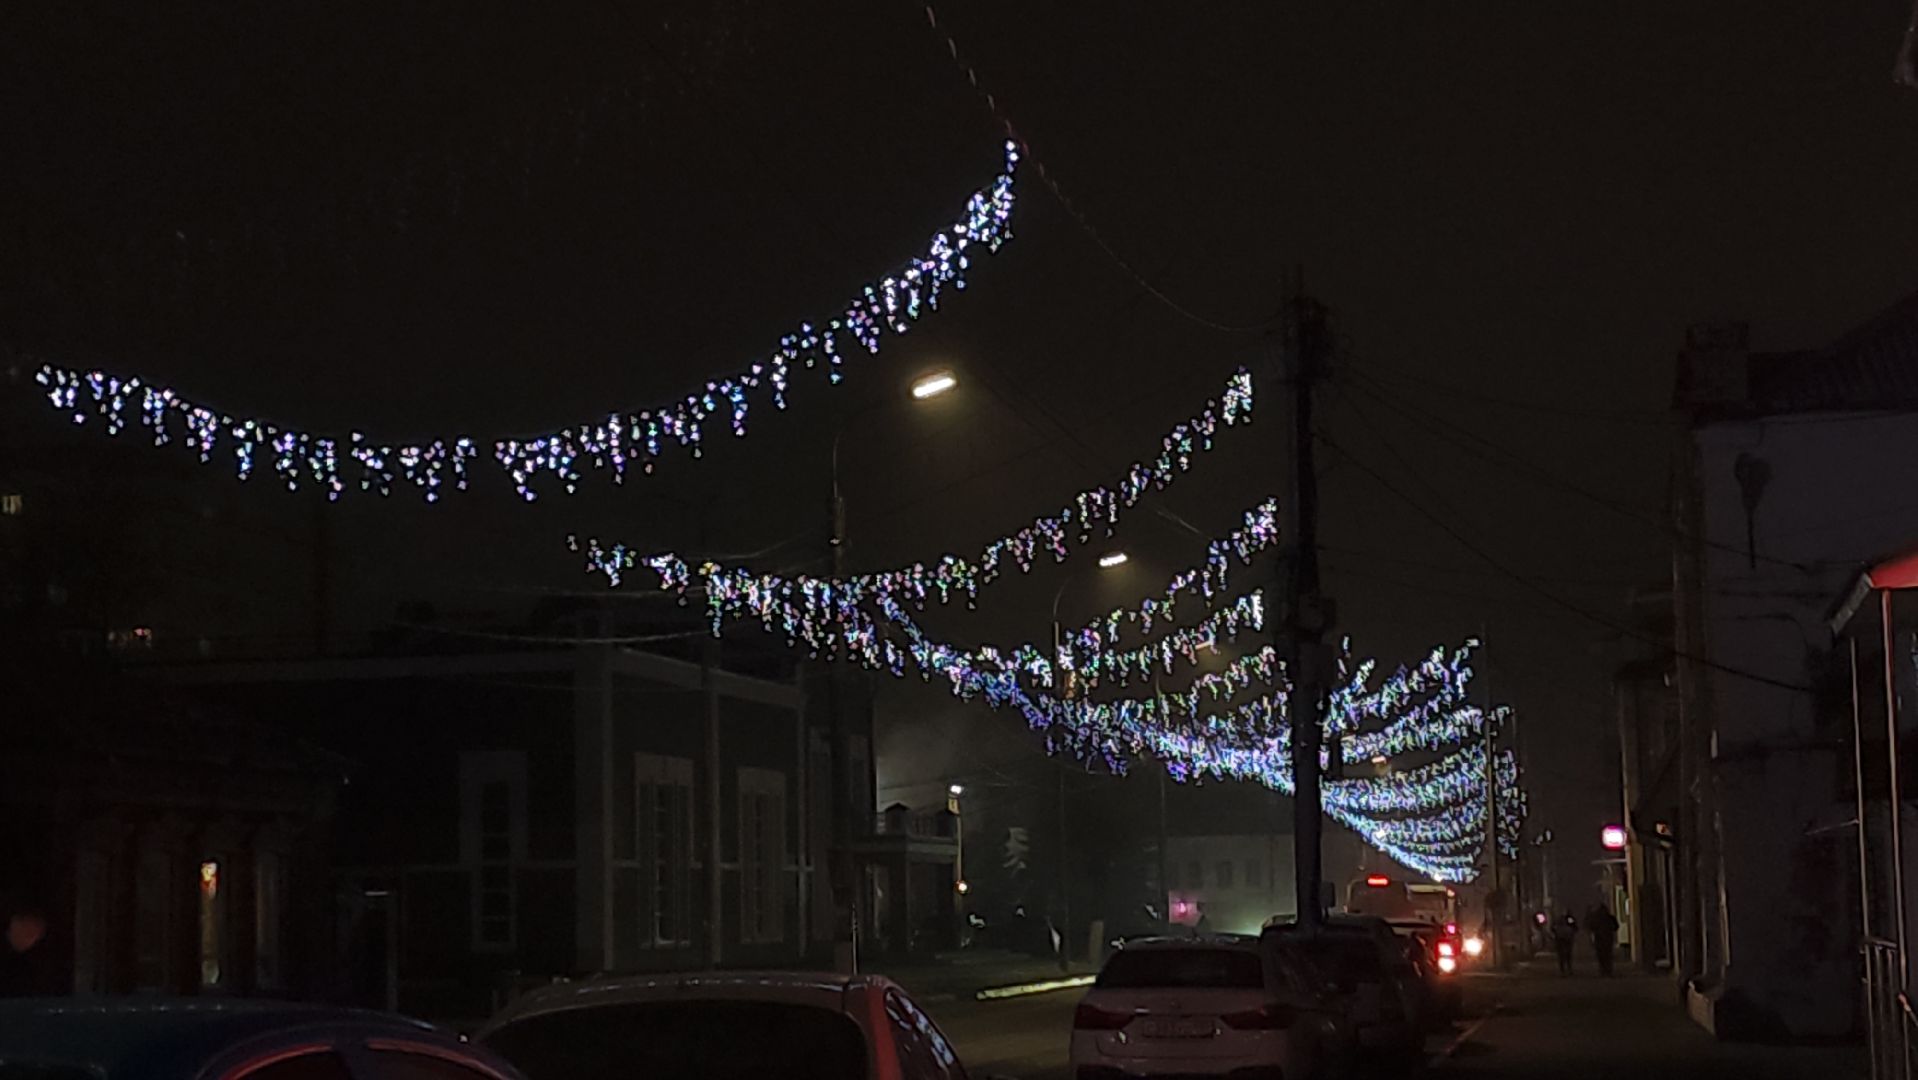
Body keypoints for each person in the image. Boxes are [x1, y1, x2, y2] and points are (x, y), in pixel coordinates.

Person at [0, 904, 50, 997]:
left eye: (33, 935)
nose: (28, 939)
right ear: (14, 923)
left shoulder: (29, 967)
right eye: (26, 929)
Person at [1588, 903, 1620, 977]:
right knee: (1608, 955)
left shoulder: (1597, 918)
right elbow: (1616, 927)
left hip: (1599, 939)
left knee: (1601, 956)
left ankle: (1603, 970)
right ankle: (1608, 970)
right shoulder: (1610, 918)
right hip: (1608, 939)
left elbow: (1591, 927)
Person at [1550, 910, 1578, 976]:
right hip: (1567, 938)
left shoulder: (1557, 920)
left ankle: (1563, 970)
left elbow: (1552, 928)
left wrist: (1556, 933)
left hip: (1561, 938)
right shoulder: (1569, 919)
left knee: (1562, 955)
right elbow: (1575, 927)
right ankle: (1568, 969)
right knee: (1567, 954)